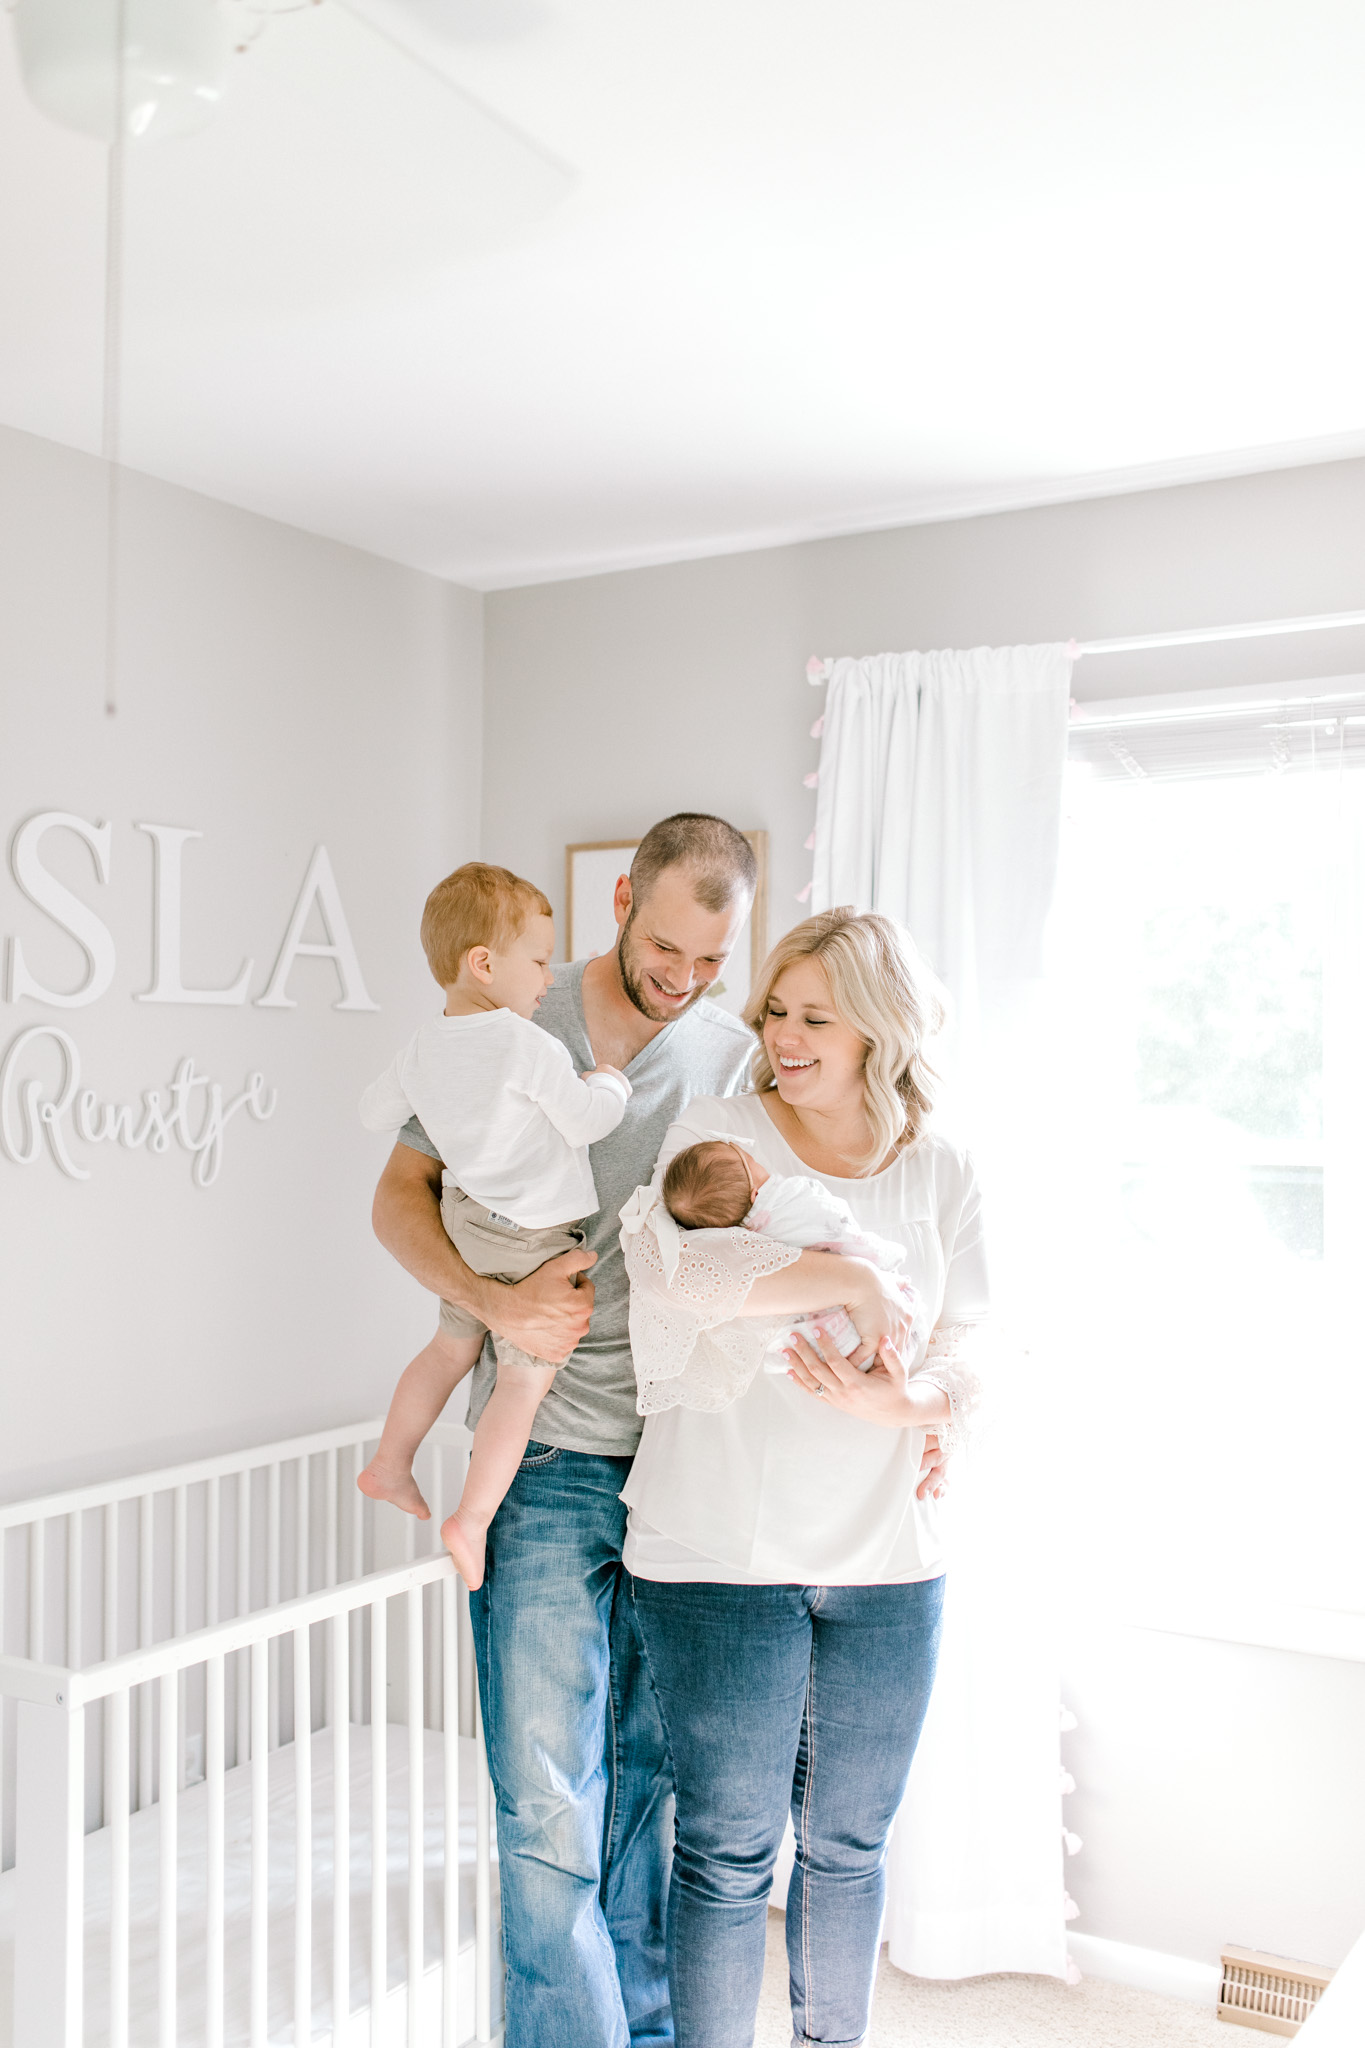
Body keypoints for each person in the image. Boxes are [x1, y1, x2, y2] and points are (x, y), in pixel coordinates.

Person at [370, 819, 915, 2048]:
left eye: (710, 961)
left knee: (655, 1800)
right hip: (548, 1448)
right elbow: (395, 1200)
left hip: (683, 1465)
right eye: (663, 944)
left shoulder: (738, 1058)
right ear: (621, 898)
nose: (682, 977)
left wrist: (924, 1400)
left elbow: (811, 1204)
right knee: (549, 1804)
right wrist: (501, 1302)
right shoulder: (508, 1015)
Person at [619, 906, 987, 2048]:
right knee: (727, 1853)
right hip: (716, 1547)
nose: (782, 1032)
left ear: (877, 1028)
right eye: (776, 1008)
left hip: (888, 1554)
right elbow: (676, 1273)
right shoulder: (724, 1128)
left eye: (815, 1015)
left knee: (848, 1846)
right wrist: (848, 1281)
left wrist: (911, 1401)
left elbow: (980, 1334)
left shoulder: (939, 1165)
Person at [357, 861, 631, 1589]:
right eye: (538, 961)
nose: (548, 977)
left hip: (466, 1224)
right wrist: (608, 1080)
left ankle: (390, 1463)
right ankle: (471, 1518)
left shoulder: (421, 1047)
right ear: (483, 964)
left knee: (449, 1348)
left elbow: (372, 1114)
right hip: (531, 1239)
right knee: (521, 1383)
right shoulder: (524, 1043)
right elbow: (587, 1122)